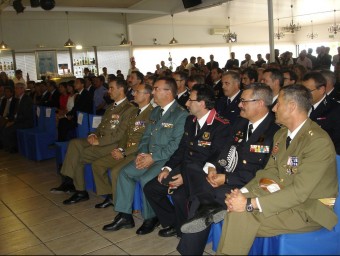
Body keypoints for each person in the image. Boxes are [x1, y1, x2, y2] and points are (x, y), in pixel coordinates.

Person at [216, 84, 337, 255]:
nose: (273, 108)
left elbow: (300, 192)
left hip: (309, 209)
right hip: (282, 196)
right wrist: (243, 193)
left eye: (278, 104)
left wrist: (250, 203)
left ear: (292, 106)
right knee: (236, 209)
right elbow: (269, 172)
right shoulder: (282, 134)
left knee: (241, 214)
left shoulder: (317, 141)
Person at [177, 83, 280, 255]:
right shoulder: (240, 123)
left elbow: (264, 171)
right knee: (194, 171)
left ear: (260, 103)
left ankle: (189, 249)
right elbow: (224, 150)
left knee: (204, 197)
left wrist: (226, 179)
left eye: (244, 101)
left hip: (248, 184)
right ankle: (209, 208)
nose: (239, 105)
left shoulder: (275, 132)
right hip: (227, 176)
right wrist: (213, 168)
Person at [102, 77, 188, 235]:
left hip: (166, 159)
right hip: (148, 156)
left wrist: (152, 157)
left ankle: (151, 218)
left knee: (146, 179)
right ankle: (125, 216)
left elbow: (175, 146)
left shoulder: (181, 115)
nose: (153, 92)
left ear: (168, 92)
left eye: (156, 89)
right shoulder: (156, 111)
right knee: (124, 173)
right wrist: (142, 153)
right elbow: (145, 137)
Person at [144, 84, 230, 239]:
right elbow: (182, 149)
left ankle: (187, 230)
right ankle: (175, 223)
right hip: (183, 169)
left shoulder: (221, 125)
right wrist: (168, 168)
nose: (187, 103)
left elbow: (215, 157)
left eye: (191, 100)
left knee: (179, 196)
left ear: (202, 103)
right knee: (151, 188)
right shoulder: (190, 120)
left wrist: (185, 177)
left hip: (202, 175)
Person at [50, 78, 136, 200]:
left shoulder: (129, 109)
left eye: (111, 88)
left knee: (78, 157)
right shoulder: (111, 107)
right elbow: (101, 126)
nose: (108, 91)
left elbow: (120, 135)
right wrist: (93, 134)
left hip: (112, 145)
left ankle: (77, 188)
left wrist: (99, 141)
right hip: (99, 140)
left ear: (121, 89)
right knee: (74, 143)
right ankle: (69, 181)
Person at [91, 83, 153, 208]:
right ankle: (110, 195)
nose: (133, 94)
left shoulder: (151, 113)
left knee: (115, 172)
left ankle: (121, 207)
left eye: (137, 92)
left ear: (147, 95)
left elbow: (144, 141)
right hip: (125, 150)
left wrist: (124, 152)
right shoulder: (134, 111)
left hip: (136, 153)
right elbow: (125, 134)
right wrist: (119, 148)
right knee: (97, 164)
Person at [302, 72, 340, 154]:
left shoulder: (335, 110)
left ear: (322, 90)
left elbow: (337, 141)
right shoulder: (302, 105)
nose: (304, 95)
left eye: (308, 91)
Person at [1, 83, 33, 153]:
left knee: (9, 129)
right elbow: (16, 114)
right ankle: (5, 145)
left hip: (26, 122)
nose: (15, 90)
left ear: (22, 89)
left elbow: (24, 115)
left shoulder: (26, 99)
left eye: (16, 88)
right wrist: (10, 120)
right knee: (3, 125)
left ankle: (14, 148)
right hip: (20, 120)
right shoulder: (19, 99)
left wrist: (13, 122)